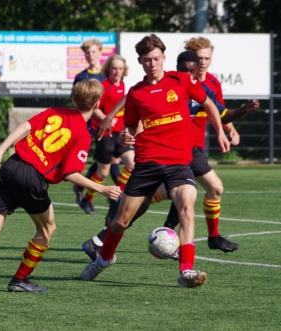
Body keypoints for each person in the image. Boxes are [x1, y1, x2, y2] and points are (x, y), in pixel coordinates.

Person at [79, 34, 230, 288]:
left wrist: (221, 131)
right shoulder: (136, 93)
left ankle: (186, 271)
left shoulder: (182, 80)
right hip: (147, 164)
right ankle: (103, 259)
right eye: (147, 60)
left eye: (157, 59)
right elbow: (130, 127)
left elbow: (208, 103)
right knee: (121, 222)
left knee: (186, 209)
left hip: (179, 163)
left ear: (164, 58)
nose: (153, 64)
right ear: (140, 61)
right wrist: (127, 135)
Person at [0, 79, 121, 296]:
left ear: (73, 98)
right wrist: (102, 189)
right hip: (33, 177)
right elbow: (71, 174)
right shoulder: (81, 133)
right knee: (46, 229)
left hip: (11, 165)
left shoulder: (55, 111)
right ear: (98, 104)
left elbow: (25, 127)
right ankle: (19, 280)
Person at [160, 37, 260, 252]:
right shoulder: (174, 83)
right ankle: (203, 237)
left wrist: (230, 129)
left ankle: (166, 230)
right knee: (198, 190)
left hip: (196, 145)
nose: (203, 62)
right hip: (178, 147)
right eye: (200, 57)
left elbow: (218, 112)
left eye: (207, 58)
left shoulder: (212, 84)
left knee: (185, 192)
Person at [78, 54, 134, 216]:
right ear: (108, 69)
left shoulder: (125, 86)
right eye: (114, 68)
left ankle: (117, 196)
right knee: (102, 173)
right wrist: (107, 119)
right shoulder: (103, 86)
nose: (117, 71)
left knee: (132, 164)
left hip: (121, 134)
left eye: (120, 69)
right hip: (106, 133)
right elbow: (94, 107)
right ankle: (87, 200)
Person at [71, 39, 121, 211]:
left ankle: (111, 195)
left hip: (112, 128)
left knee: (108, 162)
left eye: (93, 52)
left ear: (100, 53)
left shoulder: (109, 75)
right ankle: (115, 196)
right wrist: (106, 118)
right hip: (93, 125)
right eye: (87, 52)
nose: (90, 55)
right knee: (106, 163)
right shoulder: (82, 77)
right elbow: (78, 102)